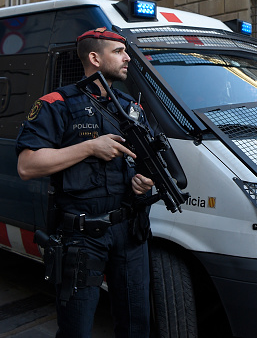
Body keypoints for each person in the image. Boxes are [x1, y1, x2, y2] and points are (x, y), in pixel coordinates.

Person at [16, 27, 154, 338]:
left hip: (130, 230)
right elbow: (27, 166)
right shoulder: (57, 103)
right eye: (118, 51)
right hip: (81, 235)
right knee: (76, 328)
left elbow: (141, 163)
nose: (127, 57)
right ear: (94, 57)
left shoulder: (131, 107)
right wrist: (90, 146)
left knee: (137, 326)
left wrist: (143, 181)